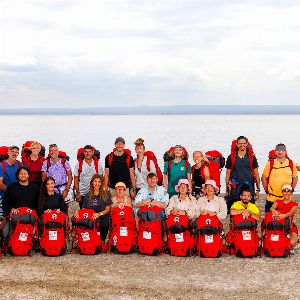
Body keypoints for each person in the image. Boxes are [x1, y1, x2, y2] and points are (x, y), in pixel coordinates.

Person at [225, 136, 260, 211]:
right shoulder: (231, 157)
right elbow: (228, 174)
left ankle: (250, 221)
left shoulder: (252, 157)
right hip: (235, 185)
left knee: (250, 206)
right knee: (233, 205)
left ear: (247, 144)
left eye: (244, 143)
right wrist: (227, 190)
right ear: (236, 144)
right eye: (240, 143)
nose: (242, 145)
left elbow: (256, 174)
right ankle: (233, 221)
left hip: (249, 185)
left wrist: (258, 189)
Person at [262, 143, 298, 212]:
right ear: (275, 152)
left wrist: (291, 189)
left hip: (286, 198)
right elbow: (264, 178)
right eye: (278, 150)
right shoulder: (270, 163)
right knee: (269, 219)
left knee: (285, 220)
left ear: (286, 152)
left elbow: (295, 177)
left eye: (282, 150)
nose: (280, 152)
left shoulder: (291, 163)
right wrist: (266, 189)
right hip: (272, 198)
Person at [80, 174, 112, 243]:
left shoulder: (106, 194)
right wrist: (78, 212)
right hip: (90, 223)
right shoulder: (87, 195)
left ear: (101, 183)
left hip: (103, 222)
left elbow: (108, 209)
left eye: (99, 182)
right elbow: (83, 209)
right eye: (95, 181)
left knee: (100, 242)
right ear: (92, 183)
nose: (97, 183)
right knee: (91, 242)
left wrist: (99, 214)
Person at [0, 146, 22, 218]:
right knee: (3, 218)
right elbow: (0, 183)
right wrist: (11, 192)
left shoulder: (19, 164)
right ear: (8, 153)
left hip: (17, 197)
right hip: (3, 196)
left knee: (17, 217)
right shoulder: (2, 165)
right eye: (12, 151)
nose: (14, 154)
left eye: (16, 152)